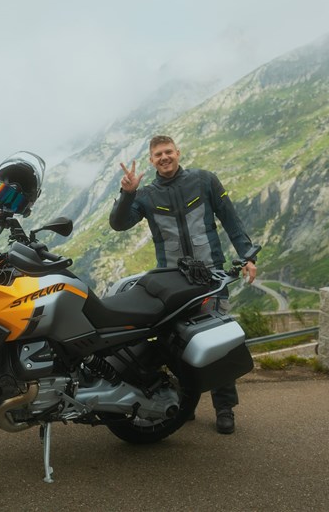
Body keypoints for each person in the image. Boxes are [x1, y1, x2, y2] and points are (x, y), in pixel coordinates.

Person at [109, 135, 257, 435]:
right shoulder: (146, 194)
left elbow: (231, 219)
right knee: (175, 343)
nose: (164, 157)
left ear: (177, 153)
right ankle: (183, 402)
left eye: (168, 152)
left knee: (217, 342)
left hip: (211, 276)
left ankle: (224, 408)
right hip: (172, 282)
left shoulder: (204, 180)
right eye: (157, 154)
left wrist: (248, 256)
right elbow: (119, 224)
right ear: (151, 161)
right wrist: (127, 194)